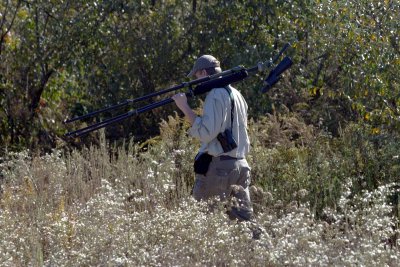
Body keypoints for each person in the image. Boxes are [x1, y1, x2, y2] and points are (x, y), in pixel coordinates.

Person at [172, 55, 253, 221]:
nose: (196, 81)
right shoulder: (237, 94)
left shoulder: (215, 94)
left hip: (220, 168)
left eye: (196, 76)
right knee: (246, 223)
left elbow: (207, 133)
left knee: (201, 219)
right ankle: (264, 247)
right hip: (241, 166)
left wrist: (184, 107)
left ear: (202, 72)